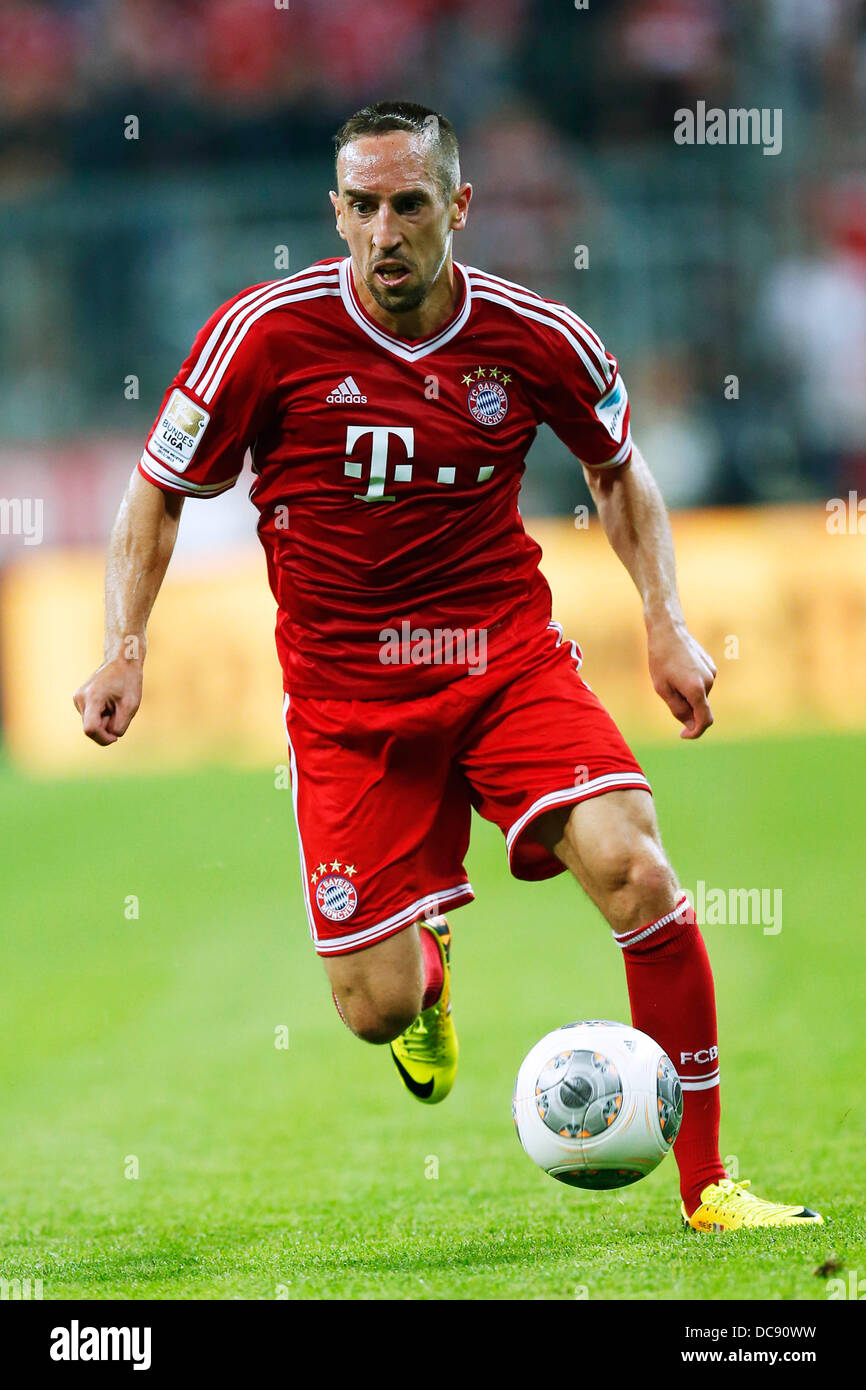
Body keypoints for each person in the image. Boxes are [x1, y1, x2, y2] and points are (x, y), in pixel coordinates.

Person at [74, 101, 821, 1232]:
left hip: (503, 666)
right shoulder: (263, 336)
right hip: (344, 709)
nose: (385, 230)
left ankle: (707, 1183)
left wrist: (663, 620)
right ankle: (424, 978)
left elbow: (619, 474)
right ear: (335, 212)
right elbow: (157, 489)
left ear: (456, 208)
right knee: (372, 1009)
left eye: (409, 203)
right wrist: (124, 647)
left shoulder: (534, 337)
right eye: (362, 206)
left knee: (636, 870)